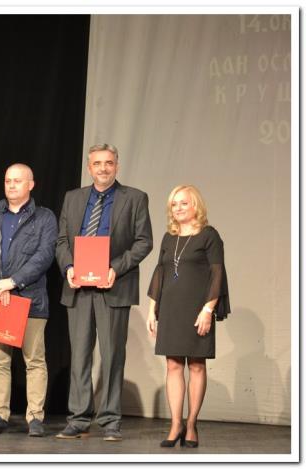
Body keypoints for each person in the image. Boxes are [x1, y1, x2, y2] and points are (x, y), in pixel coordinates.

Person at [55, 143, 153, 441]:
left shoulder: (135, 198)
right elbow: (62, 241)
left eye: (109, 163)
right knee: (79, 356)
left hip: (114, 286)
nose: (103, 168)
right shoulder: (73, 198)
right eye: (97, 163)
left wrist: (115, 268)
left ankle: (110, 419)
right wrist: (69, 267)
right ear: (89, 167)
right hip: (78, 287)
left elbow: (144, 241)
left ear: (116, 166)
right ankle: (78, 419)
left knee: (112, 356)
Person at [0, 163, 57, 437]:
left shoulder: (44, 217)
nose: (11, 185)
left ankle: (35, 417)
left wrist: (12, 282)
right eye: (8, 180)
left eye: (17, 181)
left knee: (34, 361)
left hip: (29, 299)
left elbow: (44, 256)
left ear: (30, 185)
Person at [146, 185, 230, 448]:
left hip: (197, 309)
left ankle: (191, 424)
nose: (178, 208)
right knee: (173, 365)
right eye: (174, 204)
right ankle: (175, 424)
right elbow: (159, 273)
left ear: (196, 205)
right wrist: (152, 309)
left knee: (196, 365)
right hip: (171, 309)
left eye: (184, 203)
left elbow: (217, 274)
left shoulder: (209, 235)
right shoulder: (168, 237)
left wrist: (208, 310)